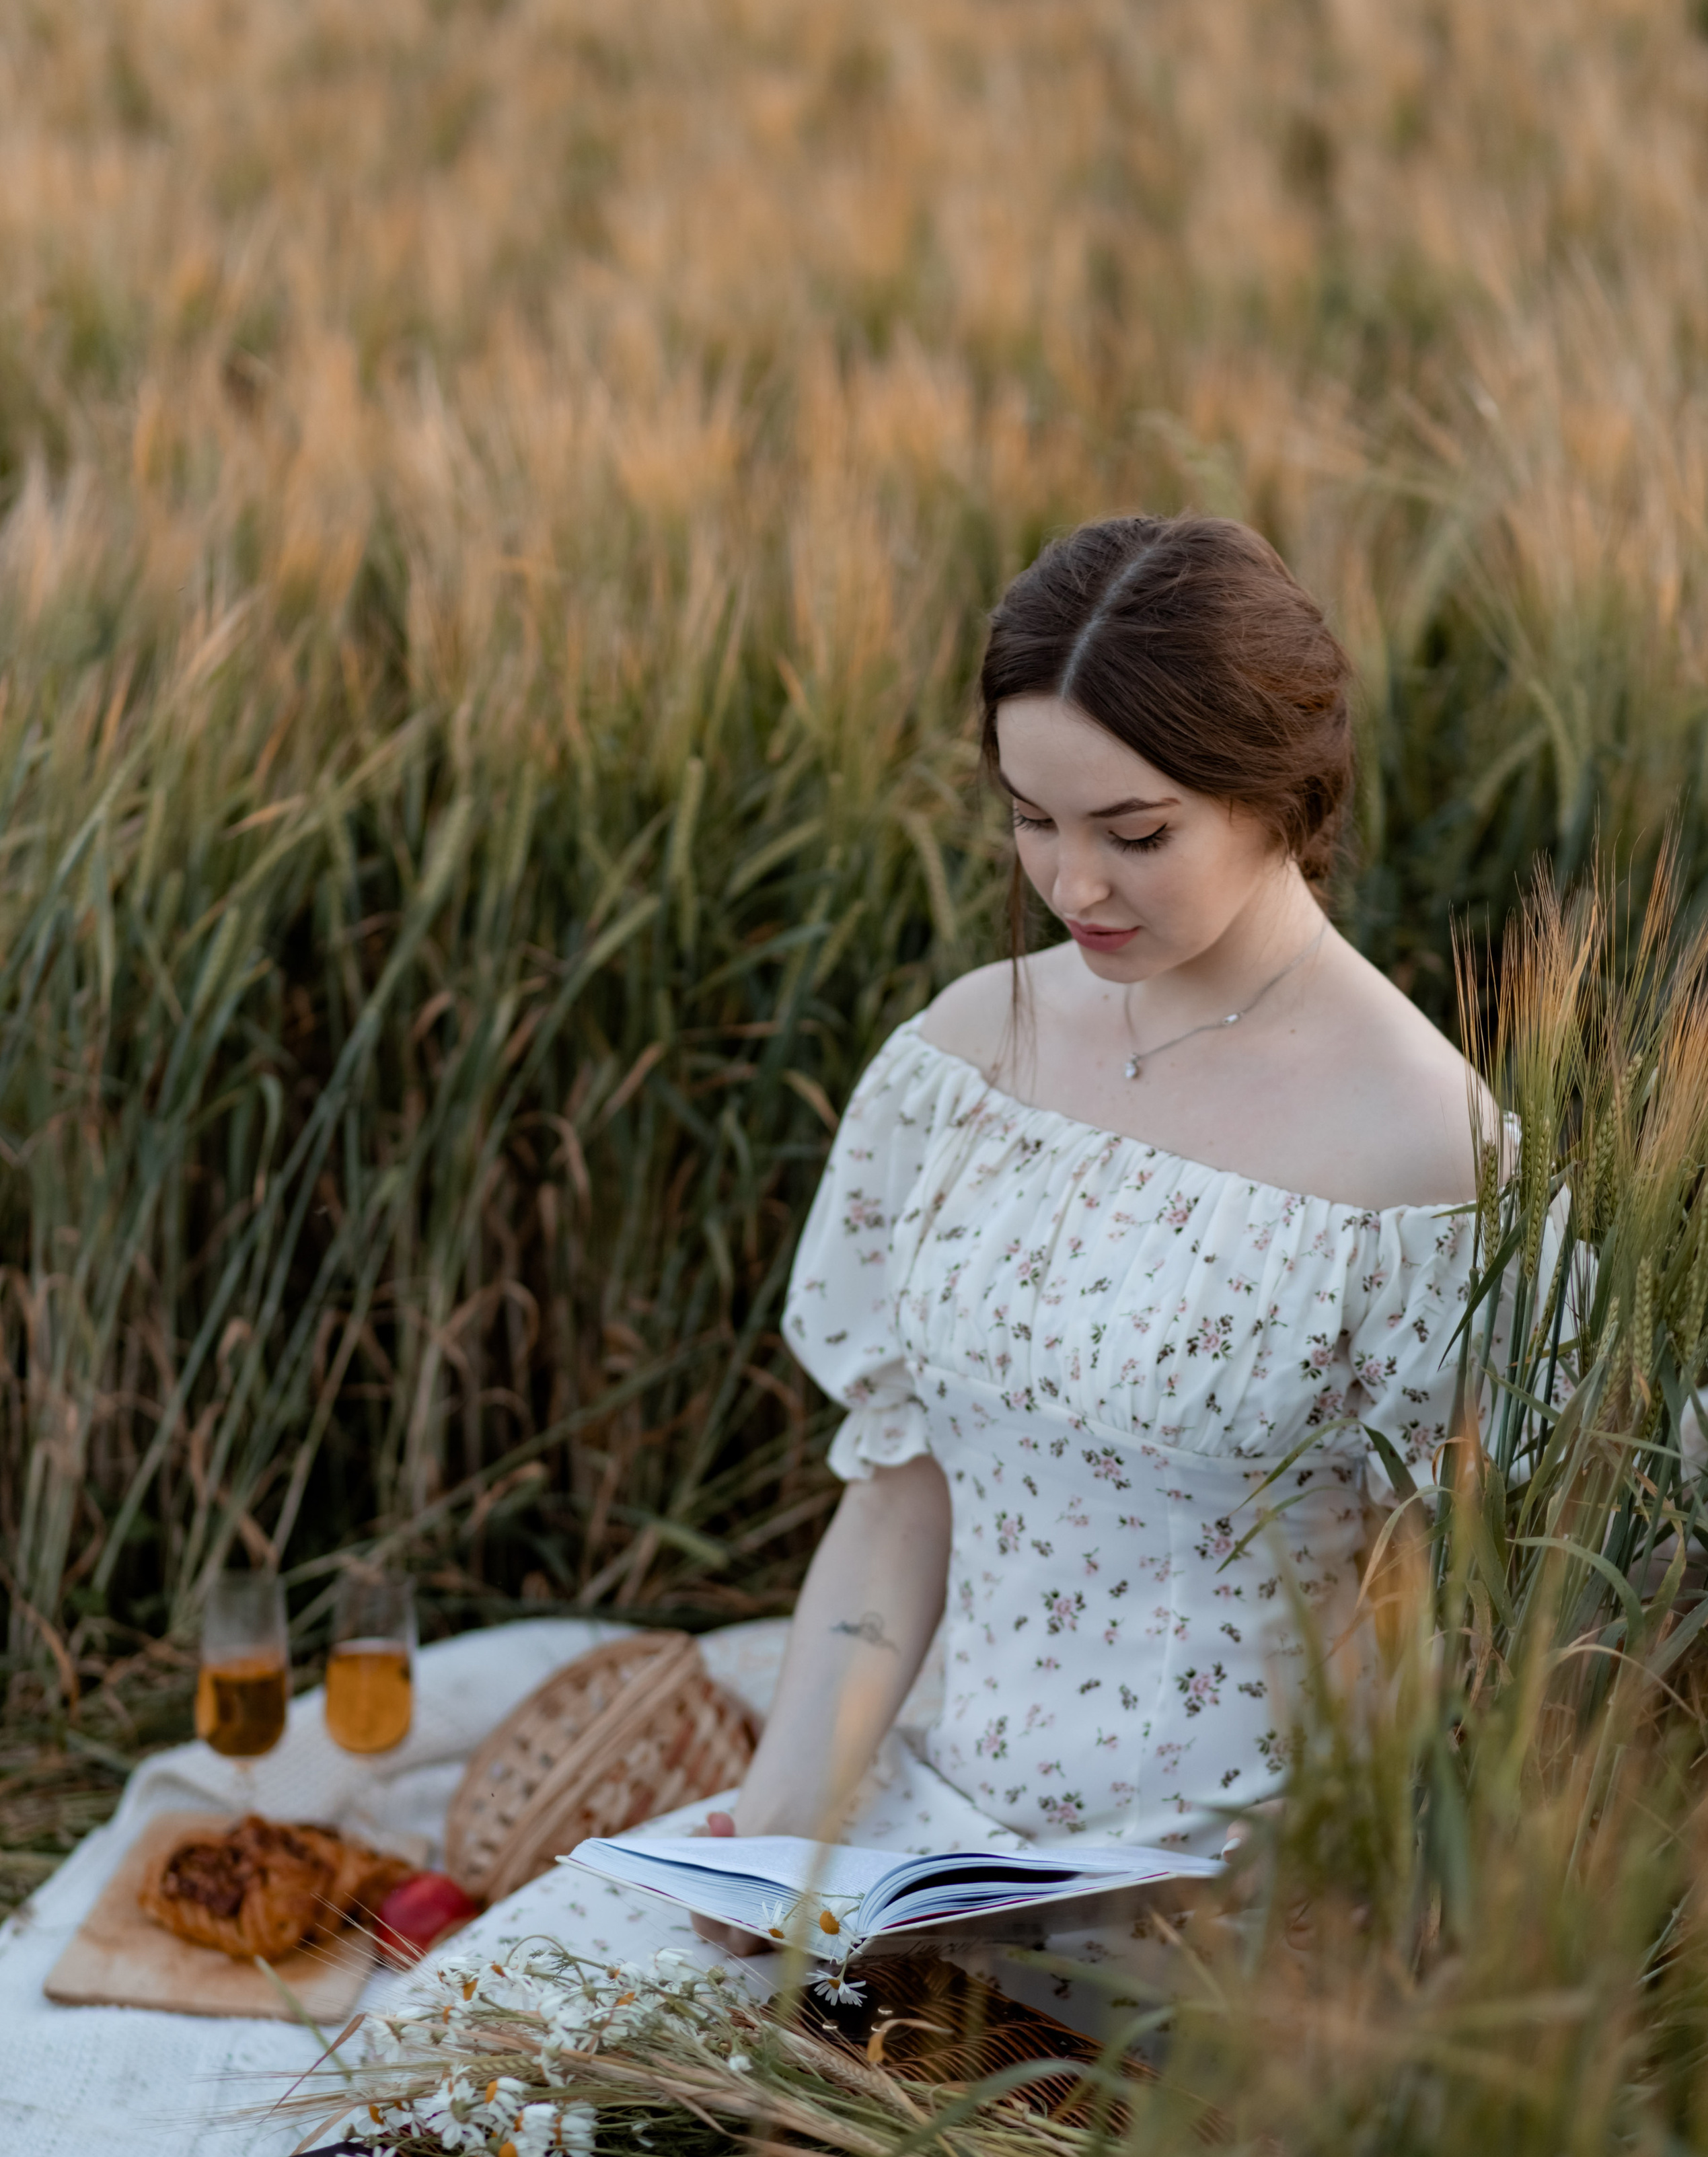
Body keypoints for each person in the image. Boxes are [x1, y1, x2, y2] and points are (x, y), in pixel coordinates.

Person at [477, 514, 1489, 2008]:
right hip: (922, 1852)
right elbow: (898, 1505)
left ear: (1278, 793)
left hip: (1229, 1912)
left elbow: (1443, 1629)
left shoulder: (1417, 1145)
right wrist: (779, 1851)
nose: (1070, 884)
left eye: (1133, 834)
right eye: (1030, 819)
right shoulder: (968, 1054)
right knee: (490, 2071)